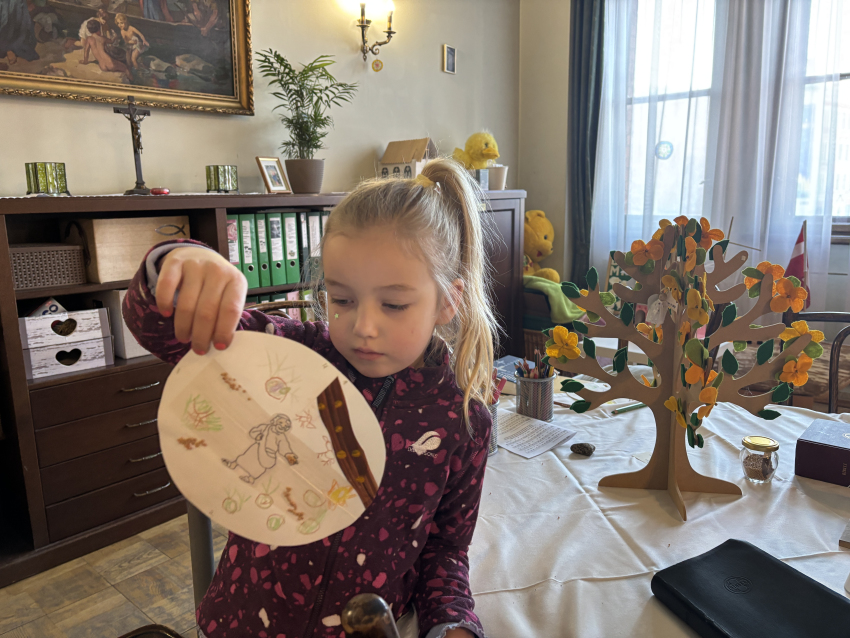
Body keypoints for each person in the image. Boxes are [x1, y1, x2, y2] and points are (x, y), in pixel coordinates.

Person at [122, 157, 498, 638]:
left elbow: (445, 551)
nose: (363, 327)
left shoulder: (463, 421)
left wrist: (453, 622)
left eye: (394, 304)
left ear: (448, 301)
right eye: (342, 299)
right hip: (240, 620)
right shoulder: (293, 354)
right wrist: (178, 264)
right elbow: (165, 333)